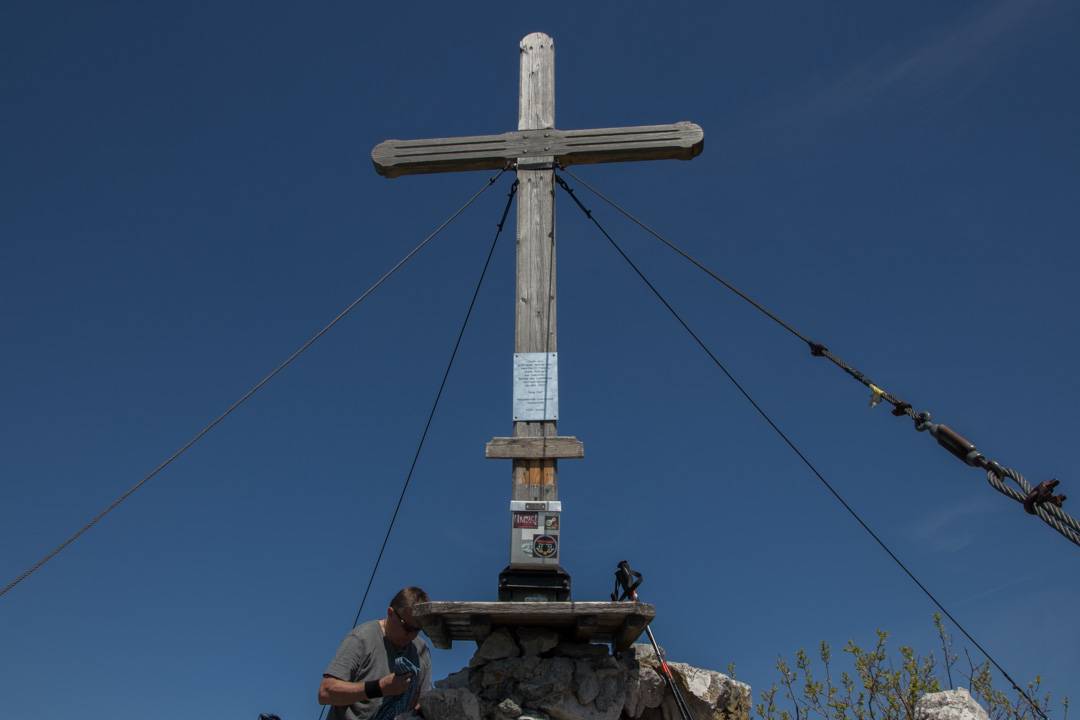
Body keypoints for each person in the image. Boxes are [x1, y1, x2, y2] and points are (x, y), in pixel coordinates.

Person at [318, 587, 432, 720]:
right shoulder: (362, 639)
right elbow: (325, 692)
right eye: (407, 628)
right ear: (390, 613)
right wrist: (379, 688)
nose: (411, 635)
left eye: (417, 630)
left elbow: (422, 703)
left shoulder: (421, 651)